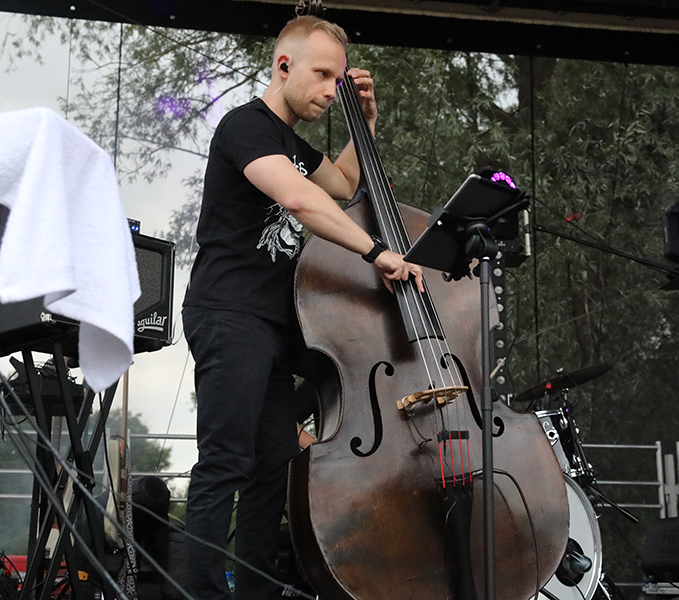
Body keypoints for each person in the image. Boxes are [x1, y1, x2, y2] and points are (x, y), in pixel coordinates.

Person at [181, 15, 422, 600]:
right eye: (321, 75)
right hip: (230, 312)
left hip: (273, 328)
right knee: (226, 462)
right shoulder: (246, 127)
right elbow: (299, 197)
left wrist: (364, 122)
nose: (329, 90)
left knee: (271, 471)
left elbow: (340, 181)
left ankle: (256, 592)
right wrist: (376, 251)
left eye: (338, 80)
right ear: (283, 66)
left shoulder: (292, 143)